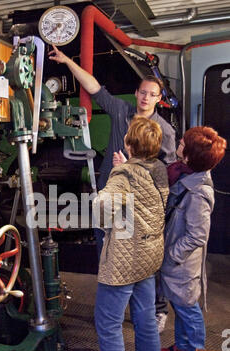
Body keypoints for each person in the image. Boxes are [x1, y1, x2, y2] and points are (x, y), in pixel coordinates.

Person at [49, 45, 175, 332]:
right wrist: (69, 61)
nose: (144, 97)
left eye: (151, 94)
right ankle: (114, 308)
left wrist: (131, 165)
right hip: (110, 201)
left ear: (159, 99)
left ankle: (156, 310)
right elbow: (94, 87)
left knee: (144, 262)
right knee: (107, 254)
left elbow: (165, 175)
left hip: (139, 208)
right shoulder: (121, 111)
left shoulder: (163, 131)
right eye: (142, 92)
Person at [75, 115, 169, 351]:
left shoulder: (124, 175)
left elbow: (101, 211)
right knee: (144, 319)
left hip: (124, 260)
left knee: (109, 326)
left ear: (129, 144)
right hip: (149, 254)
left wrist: (117, 174)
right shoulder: (159, 169)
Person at [159, 126, 226, 351]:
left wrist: (171, 256)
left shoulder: (199, 192)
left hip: (182, 264)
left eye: (183, 142)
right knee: (178, 305)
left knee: (188, 309)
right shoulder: (184, 172)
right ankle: (181, 348)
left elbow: (197, 236)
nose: (179, 142)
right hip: (175, 261)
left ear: (189, 156)